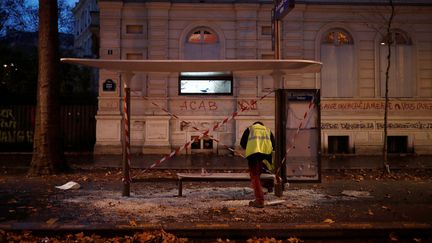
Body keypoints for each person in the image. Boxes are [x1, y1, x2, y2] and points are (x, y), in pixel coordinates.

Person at [240, 121, 275, 208]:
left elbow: (242, 143)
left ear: (254, 124)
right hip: (266, 156)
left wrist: (251, 147)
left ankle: (259, 200)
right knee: (266, 174)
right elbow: (274, 144)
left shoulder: (250, 129)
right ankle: (267, 191)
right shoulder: (267, 130)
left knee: (255, 176)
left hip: (254, 156)